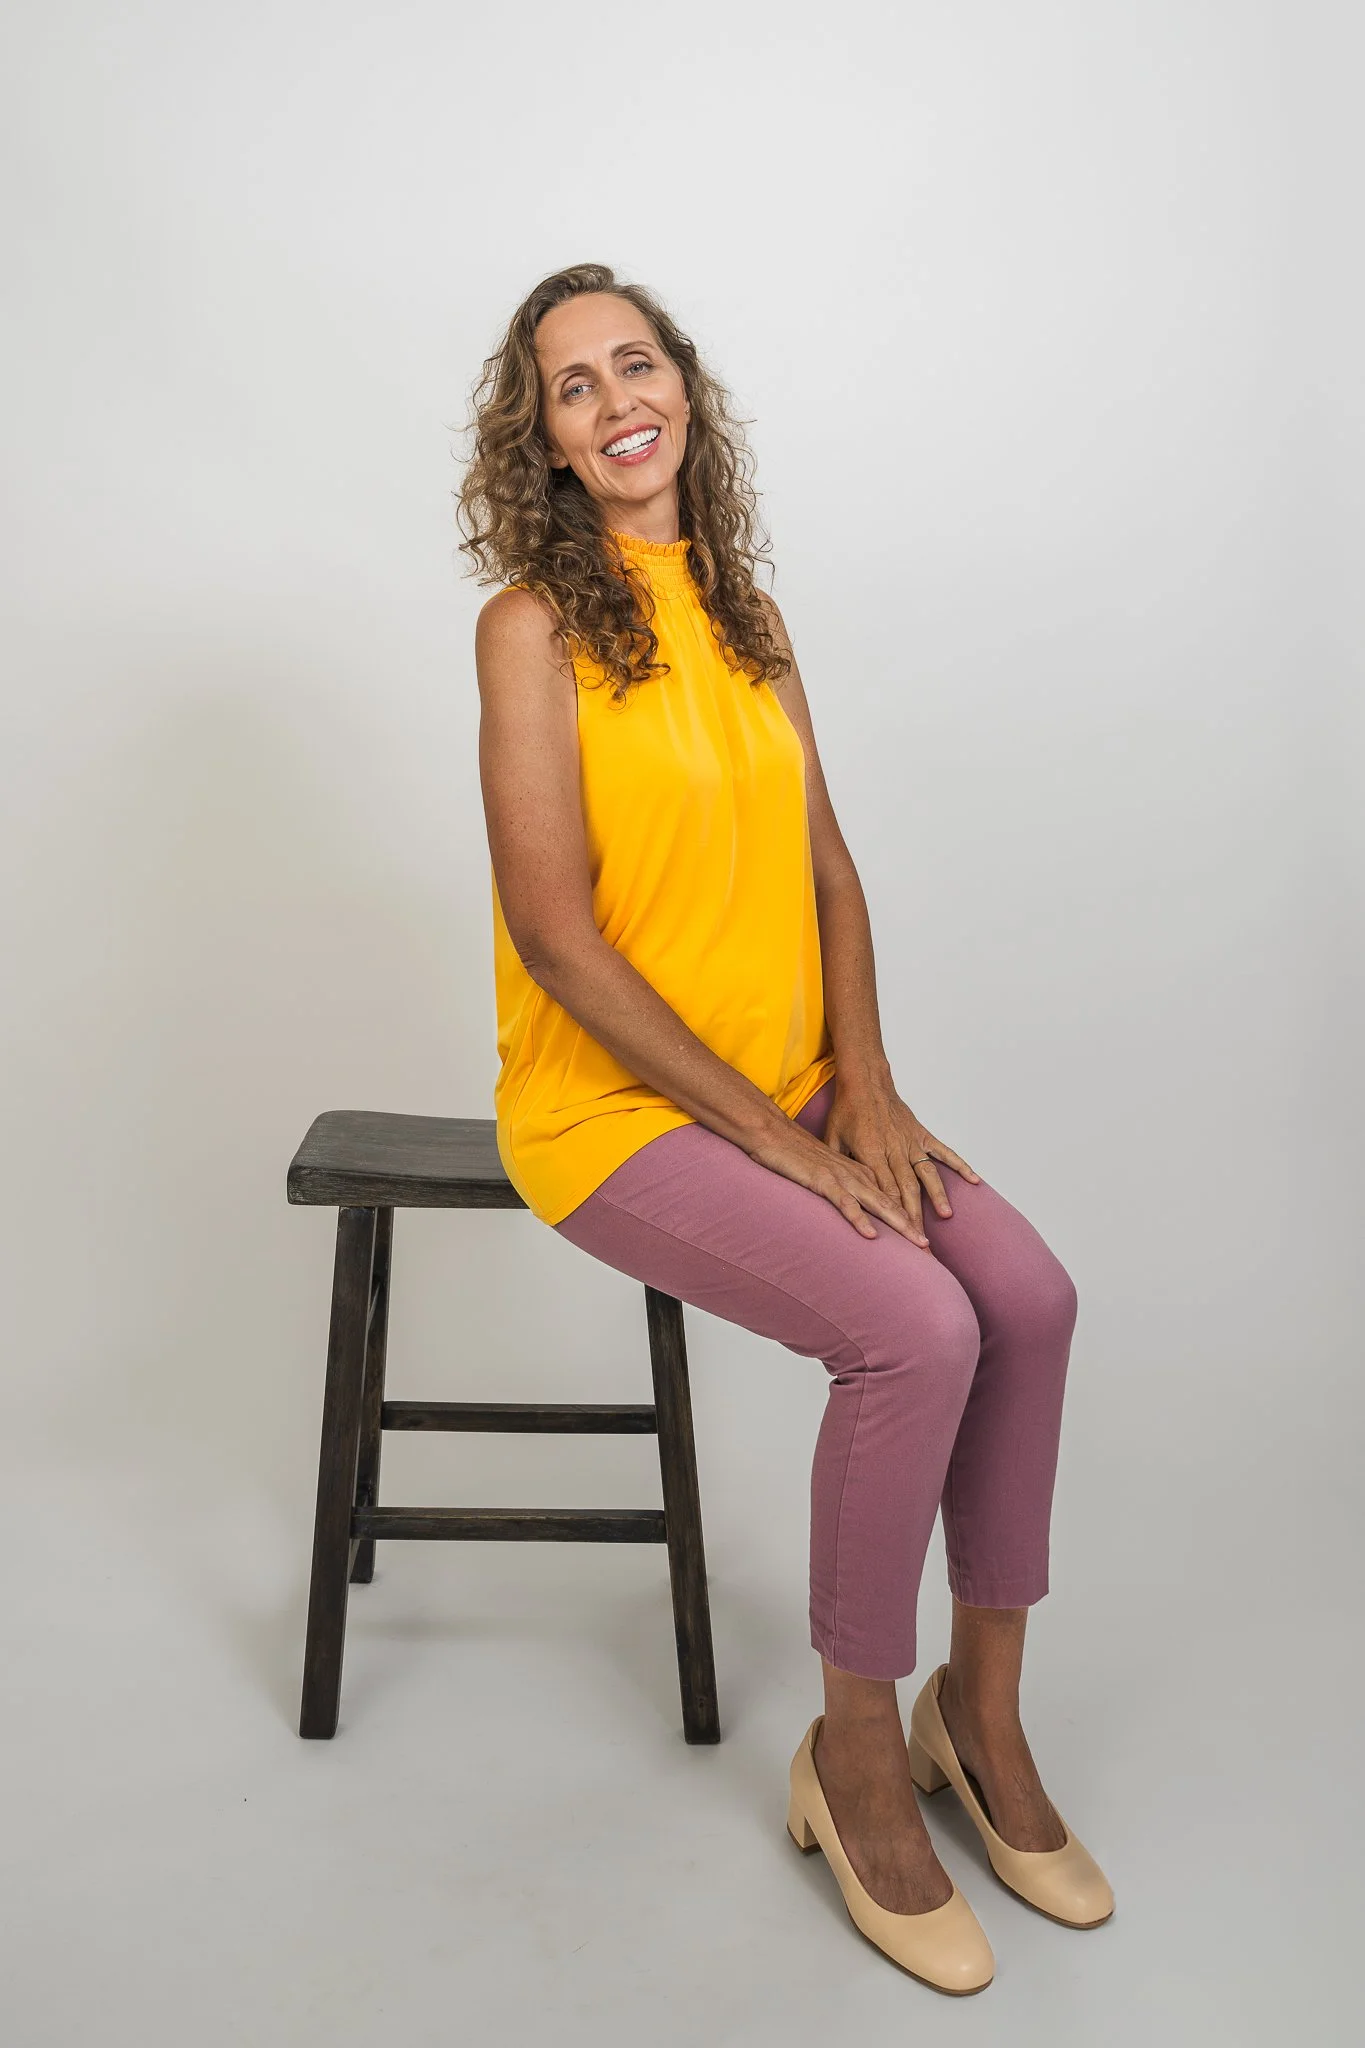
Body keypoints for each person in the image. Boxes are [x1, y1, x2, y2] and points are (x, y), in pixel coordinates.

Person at [459, 262, 1113, 1994]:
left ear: (683, 385)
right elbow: (558, 938)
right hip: (615, 1112)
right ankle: (853, 1752)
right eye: (575, 386)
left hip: (805, 1086)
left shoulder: (744, 607)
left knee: (1027, 1298)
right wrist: (777, 1139)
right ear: (544, 439)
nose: (617, 402)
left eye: (636, 364)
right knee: (914, 1330)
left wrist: (868, 1090)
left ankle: (982, 1719)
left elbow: (828, 866)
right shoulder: (529, 628)